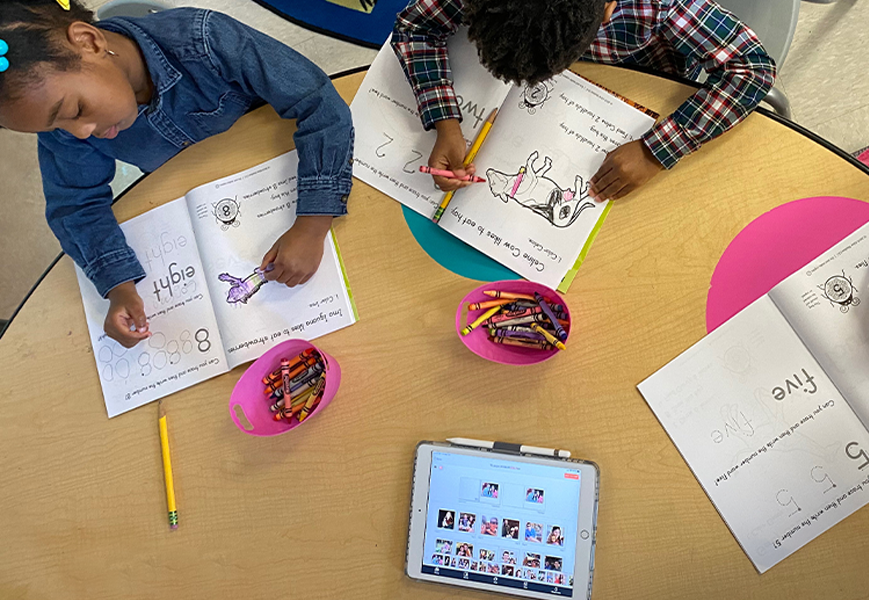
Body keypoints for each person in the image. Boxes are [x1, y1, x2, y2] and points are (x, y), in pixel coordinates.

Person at [0, 2, 353, 348]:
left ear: (90, 42)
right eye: (54, 127)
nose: (78, 134)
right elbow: (76, 207)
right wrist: (118, 286)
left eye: (75, 110)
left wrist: (313, 223)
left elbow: (318, 103)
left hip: (285, 165)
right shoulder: (64, 126)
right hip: (211, 202)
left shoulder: (206, 40)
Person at [392, 0, 775, 201]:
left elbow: (752, 68)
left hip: (642, 88)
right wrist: (445, 120)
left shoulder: (655, 3)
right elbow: (415, 26)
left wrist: (654, 151)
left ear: (608, 8)